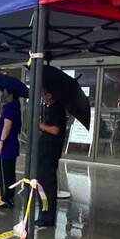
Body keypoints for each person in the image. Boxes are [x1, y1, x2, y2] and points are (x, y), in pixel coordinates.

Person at [35, 88, 67, 227]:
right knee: (42, 183)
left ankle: (47, 217)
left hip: (50, 152)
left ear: (50, 94)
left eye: (44, 93)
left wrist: (41, 125)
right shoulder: (52, 108)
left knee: (46, 185)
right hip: (46, 152)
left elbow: (55, 130)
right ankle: (44, 214)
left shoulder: (57, 108)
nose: (42, 95)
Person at [0, 88, 22, 209]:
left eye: (5, 91)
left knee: (4, 173)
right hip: (12, 145)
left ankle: (6, 199)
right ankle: (9, 196)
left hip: (6, 146)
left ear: (10, 93)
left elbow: (7, 125)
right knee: (10, 172)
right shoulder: (16, 106)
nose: (3, 93)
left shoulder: (10, 107)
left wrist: (1, 142)